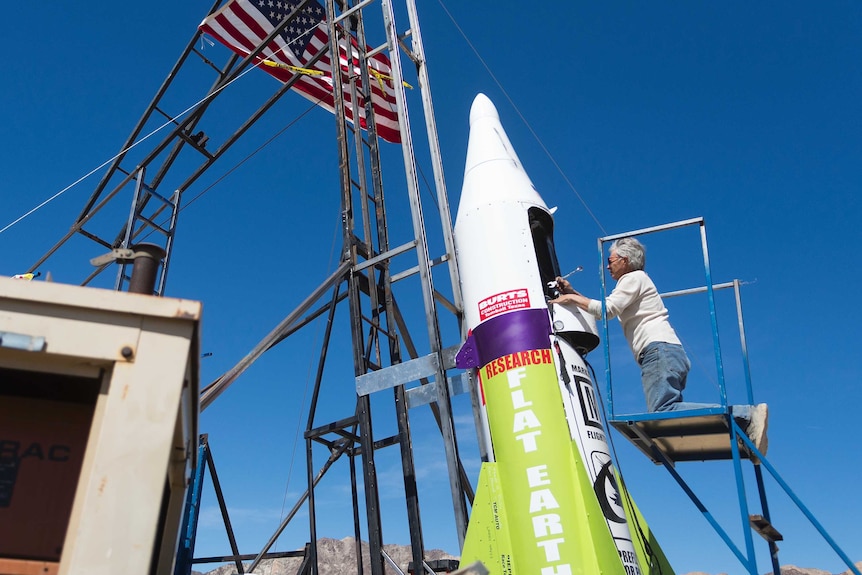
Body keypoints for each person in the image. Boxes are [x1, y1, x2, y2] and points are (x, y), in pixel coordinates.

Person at [549, 237, 768, 458]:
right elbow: (603, 307)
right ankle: (746, 431)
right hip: (666, 352)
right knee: (666, 411)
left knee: (663, 412)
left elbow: (607, 309)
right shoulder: (636, 281)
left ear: (624, 260)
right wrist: (573, 292)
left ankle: (745, 416)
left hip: (658, 351)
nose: (607, 266)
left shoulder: (632, 278)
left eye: (610, 260)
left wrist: (569, 297)